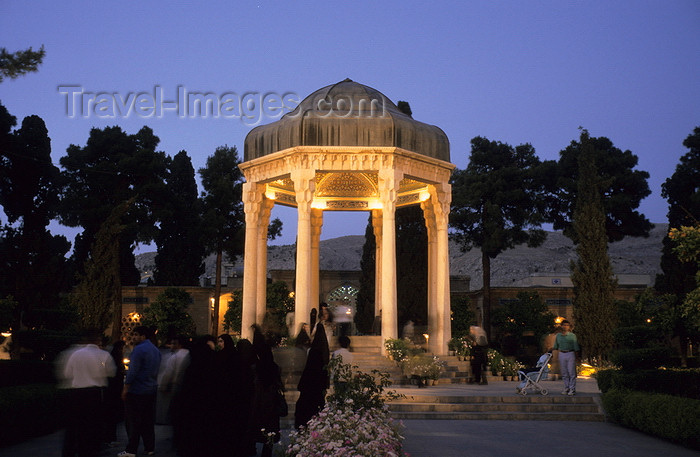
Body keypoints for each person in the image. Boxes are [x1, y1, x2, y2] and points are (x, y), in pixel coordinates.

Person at [61, 329, 116, 457]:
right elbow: (111, 372)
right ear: (98, 341)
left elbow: (67, 373)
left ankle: (71, 450)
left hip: (76, 392)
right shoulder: (104, 355)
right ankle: (88, 450)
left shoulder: (76, 354)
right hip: (94, 393)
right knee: (92, 425)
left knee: (76, 424)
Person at [119, 326, 161, 457]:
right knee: (148, 421)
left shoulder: (139, 350)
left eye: (136, 335)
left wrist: (125, 388)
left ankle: (131, 450)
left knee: (133, 422)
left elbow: (132, 371)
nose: (134, 337)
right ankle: (149, 447)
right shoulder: (155, 350)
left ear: (143, 336)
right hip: (151, 389)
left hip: (137, 390)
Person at [250, 326, 284, 457]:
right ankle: (267, 451)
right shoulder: (274, 367)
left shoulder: (256, 368)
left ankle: (253, 447)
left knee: (256, 426)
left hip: (258, 401)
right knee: (270, 429)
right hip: (271, 403)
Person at [295, 321, 329, 429]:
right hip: (318, 387)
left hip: (308, 389)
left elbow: (302, 383)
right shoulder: (323, 350)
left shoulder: (312, 351)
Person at [158, 336, 190, 425]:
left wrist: (163, 385)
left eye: (173, 344)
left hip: (175, 385)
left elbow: (168, 373)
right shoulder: (188, 354)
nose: (170, 346)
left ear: (178, 345)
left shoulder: (175, 356)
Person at [104, 340, 126, 447]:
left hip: (111, 391)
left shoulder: (112, 358)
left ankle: (109, 437)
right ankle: (110, 438)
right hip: (114, 391)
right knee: (112, 416)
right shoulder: (116, 360)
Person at [551, 319, 580, 396]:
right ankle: (566, 387)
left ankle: (572, 388)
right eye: (564, 325)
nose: (565, 327)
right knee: (564, 372)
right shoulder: (559, 336)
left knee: (571, 372)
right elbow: (556, 346)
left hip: (570, 353)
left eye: (567, 325)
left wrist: (577, 357)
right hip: (562, 353)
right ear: (561, 326)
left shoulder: (572, 336)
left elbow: (576, 346)